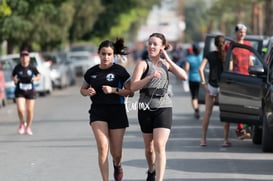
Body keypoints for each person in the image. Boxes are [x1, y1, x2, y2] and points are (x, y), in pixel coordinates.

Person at [131, 33, 188, 181]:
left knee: (159, 145)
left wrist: (168, 59)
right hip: (145, 107)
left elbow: (184, 76)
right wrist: (149, 77)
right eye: (150, 43)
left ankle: (159, 179)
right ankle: (151, 169)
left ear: (162, 47)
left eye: (155, 44)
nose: (151, 46)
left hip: (164, 107)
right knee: (149, 149)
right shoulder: (143, 64)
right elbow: (133, 86)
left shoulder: (166, 64)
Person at [80, 38, 133, 181]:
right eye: (103, 54)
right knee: (103, 147)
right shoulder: (91, 72)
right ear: (98, 54)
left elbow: (130, 92)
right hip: (98, 112)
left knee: (116, 153)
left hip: (117, 111)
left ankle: (117, 164)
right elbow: (82, 89)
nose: (106, 57)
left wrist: (114, 90)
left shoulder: (120, 71)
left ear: (113, 55)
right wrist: (88, 91)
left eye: (109, 54)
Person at [199, 35, 231, 147]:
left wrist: (204, 83)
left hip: (211, 86)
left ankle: (203, 140)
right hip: (223, 87)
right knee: (225, 113)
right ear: (225, 43)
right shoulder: (227, 56)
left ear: (215, 44)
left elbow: (200, 69)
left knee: (207, 113)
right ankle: (225, 140)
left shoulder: (209, 55)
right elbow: (230, 71)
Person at [226, 23, 253, 139]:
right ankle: (240, 128)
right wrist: (229, 77)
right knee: (239, 104)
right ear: (236, 32)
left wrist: (253, 73)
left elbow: (251, 61)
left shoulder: (248, 45)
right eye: (240, 32)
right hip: (237, 77)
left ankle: (244, 128)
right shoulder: (230, 45)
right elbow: (229, 63)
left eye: (244, 32)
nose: (242, 34)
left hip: (248, 77)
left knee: (248, 104)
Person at [11, 50, 41, 135]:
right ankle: (22, 123)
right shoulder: (17, 67)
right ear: (20, 58)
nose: (24, 58)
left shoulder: (32, 67)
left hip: (30, 91)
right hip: (20, 91)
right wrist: (14, 79)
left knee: (30, 110)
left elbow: (39, 75)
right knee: (20, 109)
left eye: (26, 56)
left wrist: (35, 79)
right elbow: (12, 75)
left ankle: (28, 127)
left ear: (28, 58)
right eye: (22, 56)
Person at [184, 43, 203, 119]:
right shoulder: (202, 57)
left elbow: (186, 69)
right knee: (199, 96)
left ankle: (196, 110)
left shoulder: (189, 58)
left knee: (194, 96)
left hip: (192, 79)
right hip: (201, 79)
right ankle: (198, 108)